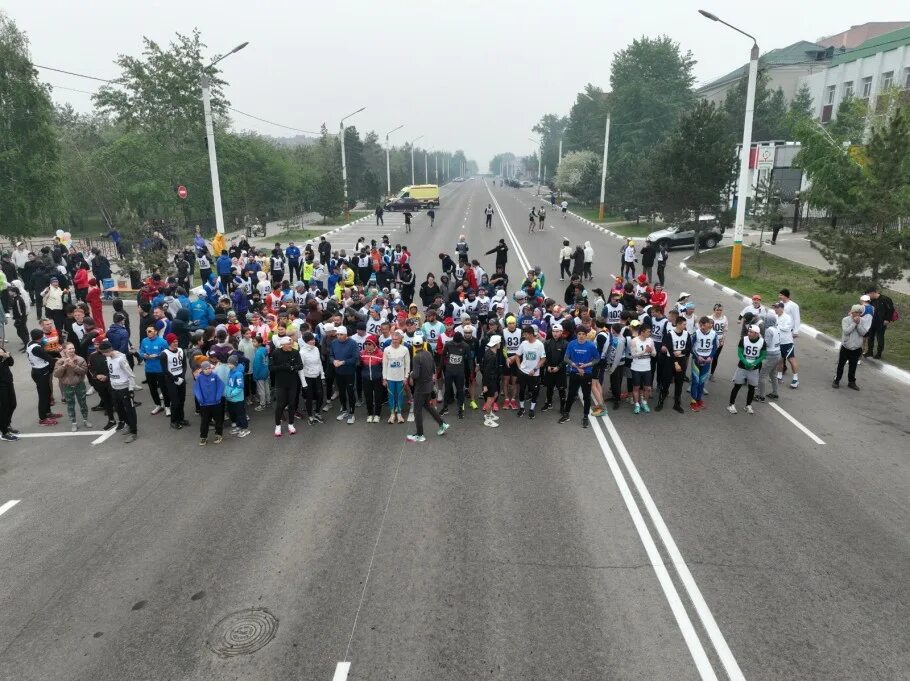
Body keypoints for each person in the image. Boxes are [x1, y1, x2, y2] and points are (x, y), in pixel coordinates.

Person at [407, 333, 448, 442]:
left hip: (420, 387)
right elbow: (433, 367)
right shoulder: (428, 353)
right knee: (428, 406)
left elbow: (415, 374)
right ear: (422, 343)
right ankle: (442, 423)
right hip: (429, 385)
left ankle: (420, 434)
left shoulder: (416, 357)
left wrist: (410, 374)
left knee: (417, 411)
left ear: (414, 345)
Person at [560, 327, 600, 428]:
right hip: (574, 372)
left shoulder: (591, 345)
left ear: (586, 335)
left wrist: (586, 365)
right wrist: (576, 366)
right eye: (579, 334)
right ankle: (566, 414)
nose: (581, 336)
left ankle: (585, 416)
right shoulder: (571, 344)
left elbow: (597, 359)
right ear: (576, 334)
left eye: (583, 334)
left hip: (587, 374)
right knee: (571, 395)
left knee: (586, 396)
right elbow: (566, 358)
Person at [100, 339, 138, 443]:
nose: (103, 355)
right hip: (115, 388)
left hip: (125, 388)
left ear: (108, 350)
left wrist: (130, 389)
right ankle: (129, 425)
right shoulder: (108, 358)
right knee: (119, 409)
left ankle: (134, 432)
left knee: (130, 410)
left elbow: (131, 375)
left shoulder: (121, 359)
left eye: (103, 353)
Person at [53, 342, 92, 431]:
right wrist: (64, 366)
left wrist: (74, 366)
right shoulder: (60, 361)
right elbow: (56, 374)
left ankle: (85, 420)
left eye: (73, 348)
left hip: (80, 385)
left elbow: (84, 371)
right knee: (70, 405)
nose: (72, 350)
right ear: (65, 350)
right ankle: (73, 423)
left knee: (83, 404)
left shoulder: (80, 359)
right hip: (67, 386)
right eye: (69, 349)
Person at [727, 325, 766, 415]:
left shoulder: (762, 342)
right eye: (748, 331)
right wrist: (746, 362)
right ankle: (731, 404)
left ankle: (748, 405)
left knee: (752, 388)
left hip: (754, 368)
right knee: (737, 386)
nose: (748, 333)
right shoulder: (744, 339)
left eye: (751, 332)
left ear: (756, 333)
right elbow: (739, 352)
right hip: (742, 366)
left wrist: (755, 363)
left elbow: (763, 355)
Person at [26, 328, 60, 425]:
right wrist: (60, 360)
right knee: (43, 396)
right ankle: (43, 418)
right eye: (43, 336)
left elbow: (46, 352)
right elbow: (49, 358)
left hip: (40, 371)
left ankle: (48, 412)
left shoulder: (31, 343)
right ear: (40, 338)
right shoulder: (36, 348)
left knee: (48, 392)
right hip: (40, 372)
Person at [833, 304, 871, 391]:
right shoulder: (845, 320)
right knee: (841, 365)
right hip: (846, 347)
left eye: (860, 312)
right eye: (856, 312)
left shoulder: (862, 321)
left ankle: (851, 382)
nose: (858, 314)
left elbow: (863, 333)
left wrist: (858, 324)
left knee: (853, 366)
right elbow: (846, 331)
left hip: (857, 348)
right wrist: (854, 323)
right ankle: (837, 380)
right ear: (852, 312)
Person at [514, 326, 545, 418]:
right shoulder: (523, 343)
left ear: (531, 334)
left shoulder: (539, 344)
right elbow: (517, 356)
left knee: (535, 391)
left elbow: (543, 359)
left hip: (534, 373)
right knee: (522, 390)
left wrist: (535, 369)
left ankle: (532, 409)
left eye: (525, 334)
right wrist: (520, 367)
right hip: (523, 372)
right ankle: (522, 408)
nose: (524, 336)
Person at [330, 325, 359, 424]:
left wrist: (343, 362)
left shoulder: (353, 343)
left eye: (341, 334)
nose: (339, 336)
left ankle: (352, 413)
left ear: (346, 334)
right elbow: (331, 355)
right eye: (337, 334)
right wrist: (333, 361)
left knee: (350, 392)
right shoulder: (334, 343)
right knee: (341, 392)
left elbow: (355, 358)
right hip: (338, 372)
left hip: (349, 372)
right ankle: (344, 410)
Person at [160, 333, 189, 430]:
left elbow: (184, 365)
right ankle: (173, 421)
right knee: (175, 401)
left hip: (181, 377)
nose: (176, 343)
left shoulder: (180, 350)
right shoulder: (164, 354)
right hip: (171, 379)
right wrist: (175, 379)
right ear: (169, 343)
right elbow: (165, 370)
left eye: (176, 341)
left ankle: (181, 418)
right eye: (173, 342)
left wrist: (182, 377)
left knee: (182, 400)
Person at [140, 325, 169, 416]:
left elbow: (167, 353)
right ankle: (158, 405)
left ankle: (167, 406)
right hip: (149, 369)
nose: (148, 333)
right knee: (152, 389)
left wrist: (157, 355)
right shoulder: (144, 341)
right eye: (147, 331)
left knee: (164, 389)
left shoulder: (162, 342)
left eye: (150, 331)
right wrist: (144, 355)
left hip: (160, 369)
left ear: (155, 332)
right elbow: (141, 352)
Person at [193, 360, 225, 445]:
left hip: (216, 403)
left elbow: (221, 386)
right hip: (204, 404)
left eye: (209, 368)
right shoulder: (199, 378)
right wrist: (200, 399)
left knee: (218, 420)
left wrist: (218, 397)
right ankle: (203, 437)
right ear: (202, 370)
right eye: (206, 369)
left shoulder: (215, 375)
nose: (208, 370)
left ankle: (218, 434)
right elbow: (197, 389)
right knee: (204, 422)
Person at [690, 316, 717, 412]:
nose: (702, 327)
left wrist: (711, 356)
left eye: (705, 325)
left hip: (707, 360)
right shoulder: (696, 334)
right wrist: (697, 356)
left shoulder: (714, 334)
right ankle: (693, 402)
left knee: (702, 381)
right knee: (695, 381)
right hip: (697, 360)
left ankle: (699, 399)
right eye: (701, 325)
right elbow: (691, 347)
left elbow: (714, 347)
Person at [383, 329, 410, 423]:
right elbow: (384, 365)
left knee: (399, 396)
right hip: (390, 378)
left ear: (400, 339)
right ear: (391, 339)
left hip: (400, 378)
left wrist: (406, 377)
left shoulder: (405, 349)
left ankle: (399, 414)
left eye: (396, 339)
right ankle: (392, 414)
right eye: (393, 339)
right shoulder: (386, 350)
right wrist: (384, 378)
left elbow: (407, 365)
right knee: (391, 396)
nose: (394, 341)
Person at [629, 324, 656, 414]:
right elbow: (633, 355)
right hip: (636, 367)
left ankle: (644, 403)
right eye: (648, 331)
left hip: (647, 368)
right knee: (636, 387)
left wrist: (651, 351)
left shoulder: (651, 340)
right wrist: (644, 351)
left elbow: (654, 354)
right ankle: (637, 404)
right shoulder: (634, 341)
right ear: (642, 332)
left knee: (647, 388)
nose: (650, 333)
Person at [299, 332, 325, 424]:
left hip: (317, 376)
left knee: (320, 396)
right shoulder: (302, 352)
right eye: (311, 340)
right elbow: (300, 369)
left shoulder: (316, 349)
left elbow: (319, 363)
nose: (313, 341)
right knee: (309, 398)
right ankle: (310, 416)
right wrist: (304, 383)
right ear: (306, 341)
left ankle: (317, 412)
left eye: (313, 339)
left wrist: (322, 375)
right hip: (307, 378)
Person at [864, 286, 895, 359]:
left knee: (880, 338)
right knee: (870, 337)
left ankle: (879, 353)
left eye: (868, 295)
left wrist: (887, 319)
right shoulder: (871, 300)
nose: (867, 297)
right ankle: (870, 352)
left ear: (872, 293)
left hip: (881, 322)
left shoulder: (885, 299)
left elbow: (890, 310)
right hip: (872, 321)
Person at [360, 335, 385, 422]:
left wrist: (384, 378)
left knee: (378, 397)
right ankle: (370, 414)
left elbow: (384, 367)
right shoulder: (362, 353)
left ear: (374, 344)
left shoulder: (381, 354)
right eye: (366, 344)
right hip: (366, 379)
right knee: (368, 397)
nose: (367, 345)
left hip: (377, 379)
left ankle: (377, 415)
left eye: (369, 344)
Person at [224, 355, 250, 437]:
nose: (228, 365)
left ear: (234, 364)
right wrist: (227, 393)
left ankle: (245, 428)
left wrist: (231, 393)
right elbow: (229, 384)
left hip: (238, 398)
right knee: (235, 414)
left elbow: (239, 387)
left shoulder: (238, 374)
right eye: (228, 363)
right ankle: (239, 426)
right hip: (231, 398)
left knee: (241, 414)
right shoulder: (230, 371)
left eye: (230, 363)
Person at [0, 345, 19, 440]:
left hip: (8, 381)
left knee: (13, 404)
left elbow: (11, 363)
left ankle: (7, 424)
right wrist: (2, 358)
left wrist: (8, 356)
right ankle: (4, 432)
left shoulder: (2, 350)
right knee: (4, 407)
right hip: (1, 385)